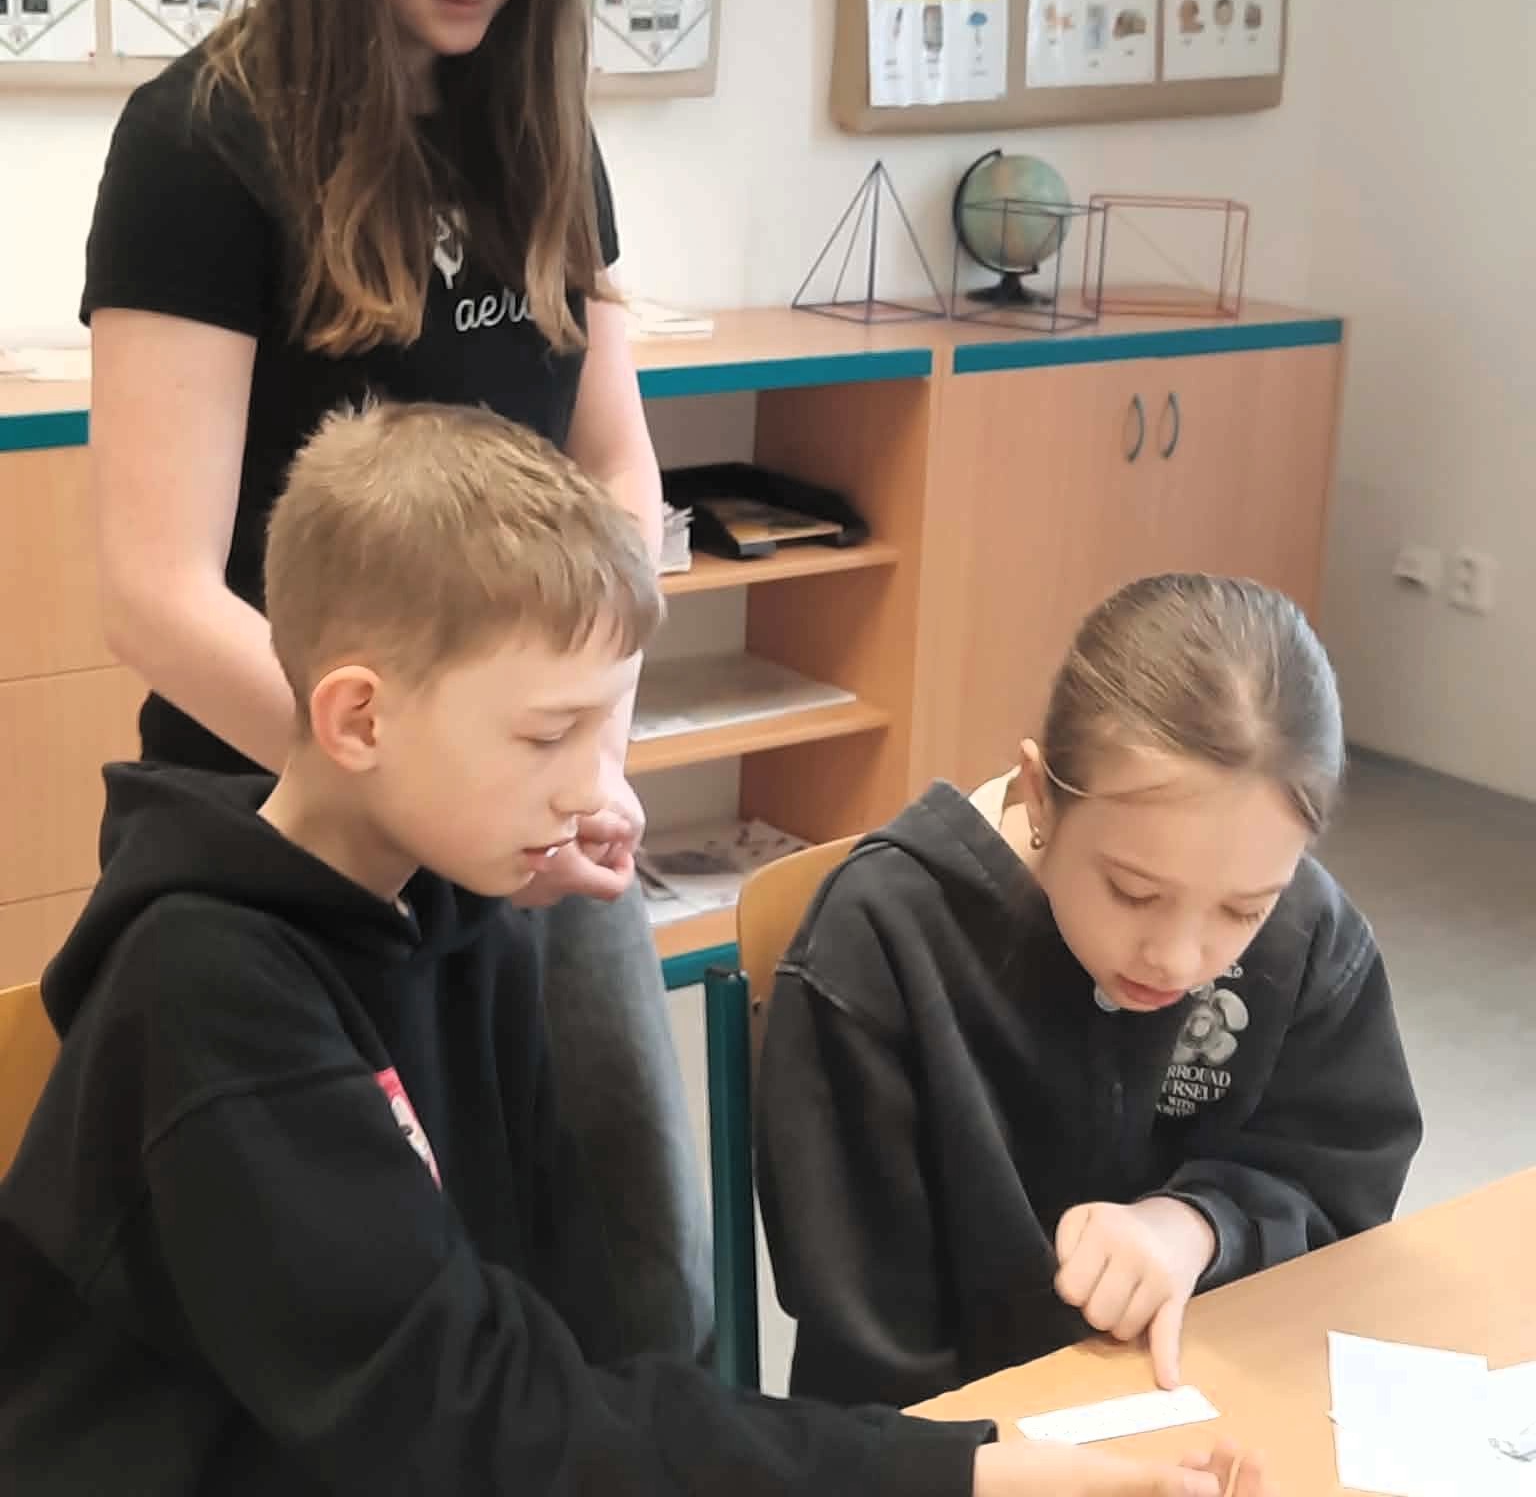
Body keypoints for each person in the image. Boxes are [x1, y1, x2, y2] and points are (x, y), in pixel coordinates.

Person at [0, 408, 1269, 1497]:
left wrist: (952, 1465)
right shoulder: (210, 991)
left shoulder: (462, 901)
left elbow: (567, 1349)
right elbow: (473, 1418)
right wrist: (959, 1471)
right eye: (548, 734)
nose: (598, 790)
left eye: (612, 728)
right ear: (360, 718)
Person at [79, 0, 708, 1359]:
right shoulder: (199, 146)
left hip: (525, 822)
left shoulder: (540, 133)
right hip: (285, 841)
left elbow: (613, 467)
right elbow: (155, 589)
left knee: (635, 1287)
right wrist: (429, 794)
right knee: (370, 1344)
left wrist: (580, 766)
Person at [756, 574, 1422, 1411]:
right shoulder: (882, 939)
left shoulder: (1307, 931)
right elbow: (870, 1347)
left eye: (1242, 910)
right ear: (1040, 795)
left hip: (1205, 1393)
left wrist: (1199, 1225)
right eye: (1133, 892)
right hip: (955, 1440)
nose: (1177, 959)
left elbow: (1343, 1184)